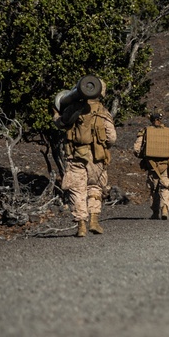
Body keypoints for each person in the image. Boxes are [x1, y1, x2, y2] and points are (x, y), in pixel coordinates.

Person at [55, 79, 117, 238]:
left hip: (76, 155)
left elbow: (61, 123)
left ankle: (81, 226)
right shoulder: (103, 111)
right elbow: (112, 137)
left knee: (77, 189)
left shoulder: (74, 108)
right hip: (96, 157)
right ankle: (94, 221)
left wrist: (55, 114)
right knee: (95, 187)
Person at [133, 111, 169, 220]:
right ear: (161, 119)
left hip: (151, 165)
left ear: (151, 120)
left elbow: (136, 149)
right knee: (166, 186)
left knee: (154, 188)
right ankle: (164, 208)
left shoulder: (145, 132)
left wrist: (143, 156)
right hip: (166, 165)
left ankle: (155, 212)